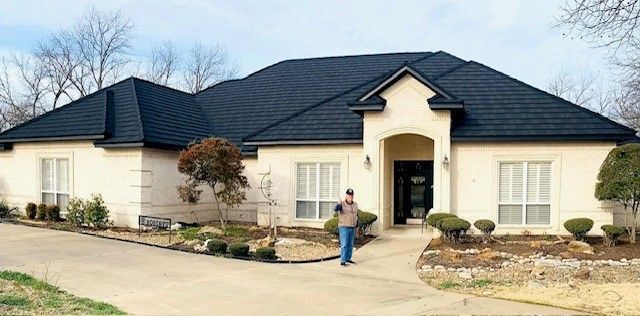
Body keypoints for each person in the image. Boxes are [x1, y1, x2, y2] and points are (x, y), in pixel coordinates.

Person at [334, 188, 358, 266]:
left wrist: (357, 227)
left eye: (351, 195)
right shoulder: (342, 204)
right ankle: (343, 260)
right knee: (344, 245)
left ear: (353, 196)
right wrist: (338, 204)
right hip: (344, 227)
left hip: (352, 227)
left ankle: (348, 258)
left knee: (350, 245)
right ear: (346, 195)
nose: (350, 196)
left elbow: (357, 216)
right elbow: (336, 209)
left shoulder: (355, 205)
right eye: (349, 195)